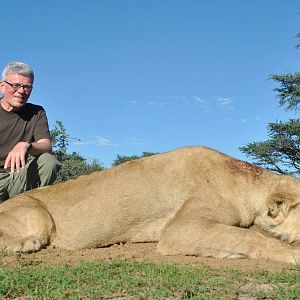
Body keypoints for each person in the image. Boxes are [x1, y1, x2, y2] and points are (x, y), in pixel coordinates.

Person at [0, 62, 61, 202]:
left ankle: (26, 208)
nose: (21, 91)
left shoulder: (37, 112)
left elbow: (46, 145)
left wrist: (26, 145)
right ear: (2, 87)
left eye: (27, 87)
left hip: (18, 178)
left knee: (48, 161)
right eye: (15, 85)